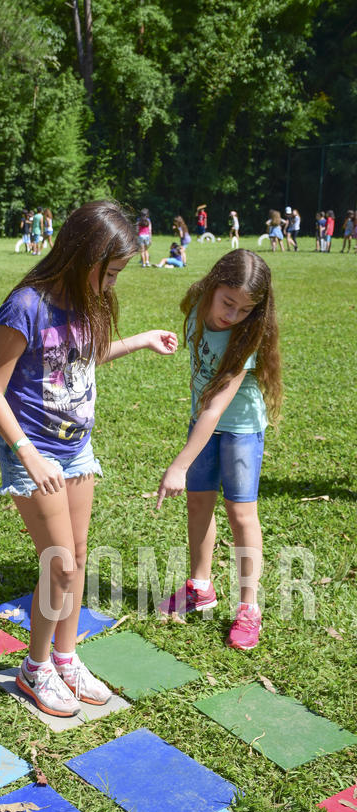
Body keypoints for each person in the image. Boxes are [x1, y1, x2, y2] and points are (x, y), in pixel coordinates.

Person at [0, 200, 178, 716]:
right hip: (35, 450)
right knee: (60, 566)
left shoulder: (90, 302)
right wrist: (28, 455)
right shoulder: (25, 306)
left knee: (79, 558)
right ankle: (36, 667)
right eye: (109, 272)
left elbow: (83, 356)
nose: (112, 283)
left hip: (76, 448)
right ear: (81, 255)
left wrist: (142, 340)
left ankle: (66, 659)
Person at [157, 249, 282, 651]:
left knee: (240, 513)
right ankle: (201, 588)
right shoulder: (196, 302)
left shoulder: (246, 335)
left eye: (245, 309)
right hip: (203, 424)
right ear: (213, 286)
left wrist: (180, 463)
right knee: (199, 504)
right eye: (228, 302)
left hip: (239, 428)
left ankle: (249, 607)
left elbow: (216, 406)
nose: (232, 315)